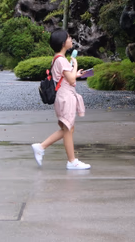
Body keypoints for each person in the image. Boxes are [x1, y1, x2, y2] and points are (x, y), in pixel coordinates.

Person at [31, 30, 91, 170]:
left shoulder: (57, 58)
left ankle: (41, 147)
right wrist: (74, 64)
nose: (71, 39)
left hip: (62, 97)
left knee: (67, 128)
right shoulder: (62, 60)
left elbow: (65, 78)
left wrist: (76, 74)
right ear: (63, 43)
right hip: (66, 97)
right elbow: (69, 80)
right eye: (69, 37)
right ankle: (71, 161)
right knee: (68, 128)